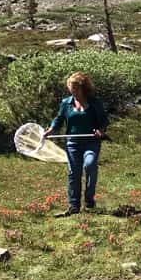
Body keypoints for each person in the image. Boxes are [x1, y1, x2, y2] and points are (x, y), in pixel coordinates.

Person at [45, 72, 108, 217]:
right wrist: (51, 129)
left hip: (91, 141)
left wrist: (100, 130)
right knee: (74, 173)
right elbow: (59, 118)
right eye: (71, 89)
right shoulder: (66, 103)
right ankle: (74, 206)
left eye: (76, 89)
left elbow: (104, 120)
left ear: (83, 88)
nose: (73, 92)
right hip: (72, 142)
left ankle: (89, 199)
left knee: (90, 164)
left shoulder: (94, 103)